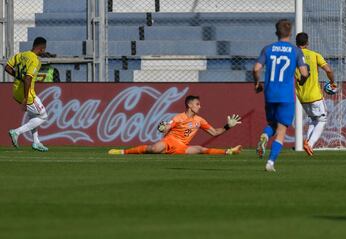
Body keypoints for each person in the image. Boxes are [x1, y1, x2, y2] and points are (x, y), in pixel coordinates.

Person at [253, 19, 309, 172]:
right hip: (286, 96)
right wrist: (302, 80)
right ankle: (270, 162)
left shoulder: (267, 49)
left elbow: (256, 68)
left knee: (271, 124)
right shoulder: (295, 51)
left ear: (276, 32)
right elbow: (304, 73)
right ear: (290, 33)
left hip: (270, 93)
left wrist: (257, 83)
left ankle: (265, 136)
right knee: (282, 129)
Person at [108, 95, 242, 155]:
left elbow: (214, 133)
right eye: (197, 104)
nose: (200, 106)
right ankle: (122, 151)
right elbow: (167, 127)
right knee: (154, 149)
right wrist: (163, 127)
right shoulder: (179, 117)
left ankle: (229, 151)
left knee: (200, 149)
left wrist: (227, 126)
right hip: (169, 141)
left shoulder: (200, 120)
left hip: (182, 147)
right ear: (189, 105)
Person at [295, 32, 336, 156]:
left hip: (301, 96)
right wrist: (332, 82)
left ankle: (307, 141)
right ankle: (311, 144)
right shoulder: (314, 55)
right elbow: (328, 69)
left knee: (314, 119)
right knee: (322, 120)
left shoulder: (293, 56)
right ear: (307, 43)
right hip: (314, 95)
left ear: (296, 43)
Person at [5, 37, 49, 152]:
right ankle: (16, 132)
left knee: (34, 116)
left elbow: (7, 67)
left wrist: (18, 77)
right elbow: (28, 79)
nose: (44, 51)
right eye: (44, 49)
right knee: (43, 116)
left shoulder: (21, 55)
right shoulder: (35, 60)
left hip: (16, 91)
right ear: (41, 48)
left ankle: (36, 142)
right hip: (27, 94)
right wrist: (25, 98)